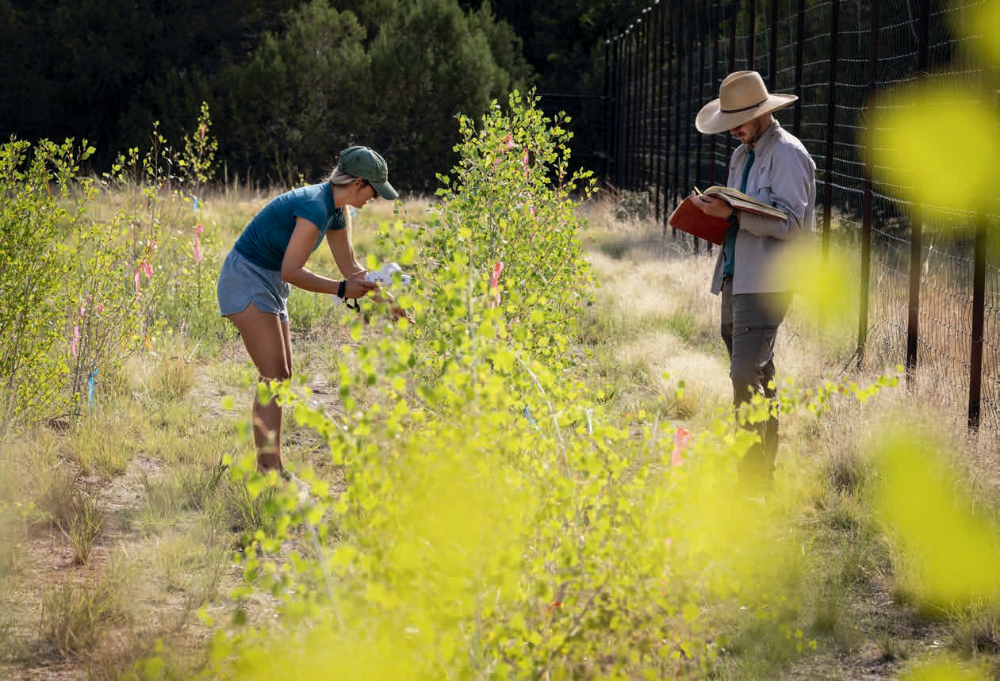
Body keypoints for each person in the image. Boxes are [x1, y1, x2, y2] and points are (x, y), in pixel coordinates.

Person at [217, 145, 404, 475]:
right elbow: (293, 270)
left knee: (280, 376)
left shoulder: (335, 211)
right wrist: (342, 291)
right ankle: (270, 470)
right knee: (274, 376)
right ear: (358, 182)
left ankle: (267, 467)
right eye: (374, 190)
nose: (375, 197)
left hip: (270, 282)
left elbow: (351, 269)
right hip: (246, 278)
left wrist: (387, 303)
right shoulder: (315, 206)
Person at [689, 71, 816, 485]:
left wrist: (732, 214)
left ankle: (752, 479)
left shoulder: (789, 155)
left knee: (744, 373)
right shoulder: (742, 155)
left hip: (769, 281)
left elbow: (793, 225)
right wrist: (708, 212)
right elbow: (738, 215)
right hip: (734, 276)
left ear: (762, 113)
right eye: (729, 124)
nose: (734, 131)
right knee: (758, 371)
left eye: (739, 121)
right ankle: (766, 473)